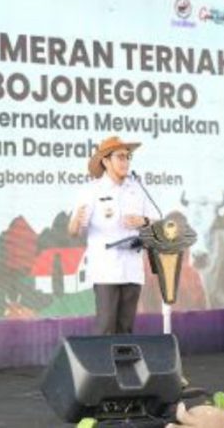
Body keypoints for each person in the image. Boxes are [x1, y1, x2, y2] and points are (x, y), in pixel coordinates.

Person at [68, 136, 157, 335]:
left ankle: (124, 357)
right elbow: (74, 231)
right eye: (120, 157)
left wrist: (143, 220)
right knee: (105, 327)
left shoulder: (137, 189)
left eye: (128, 157)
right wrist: (75, 222)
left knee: (126, 328)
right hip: (106, 270)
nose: (126, 162)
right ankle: (102, 358)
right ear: (106, 161)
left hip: (132, 268)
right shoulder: (91, 190)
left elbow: (156, 220)